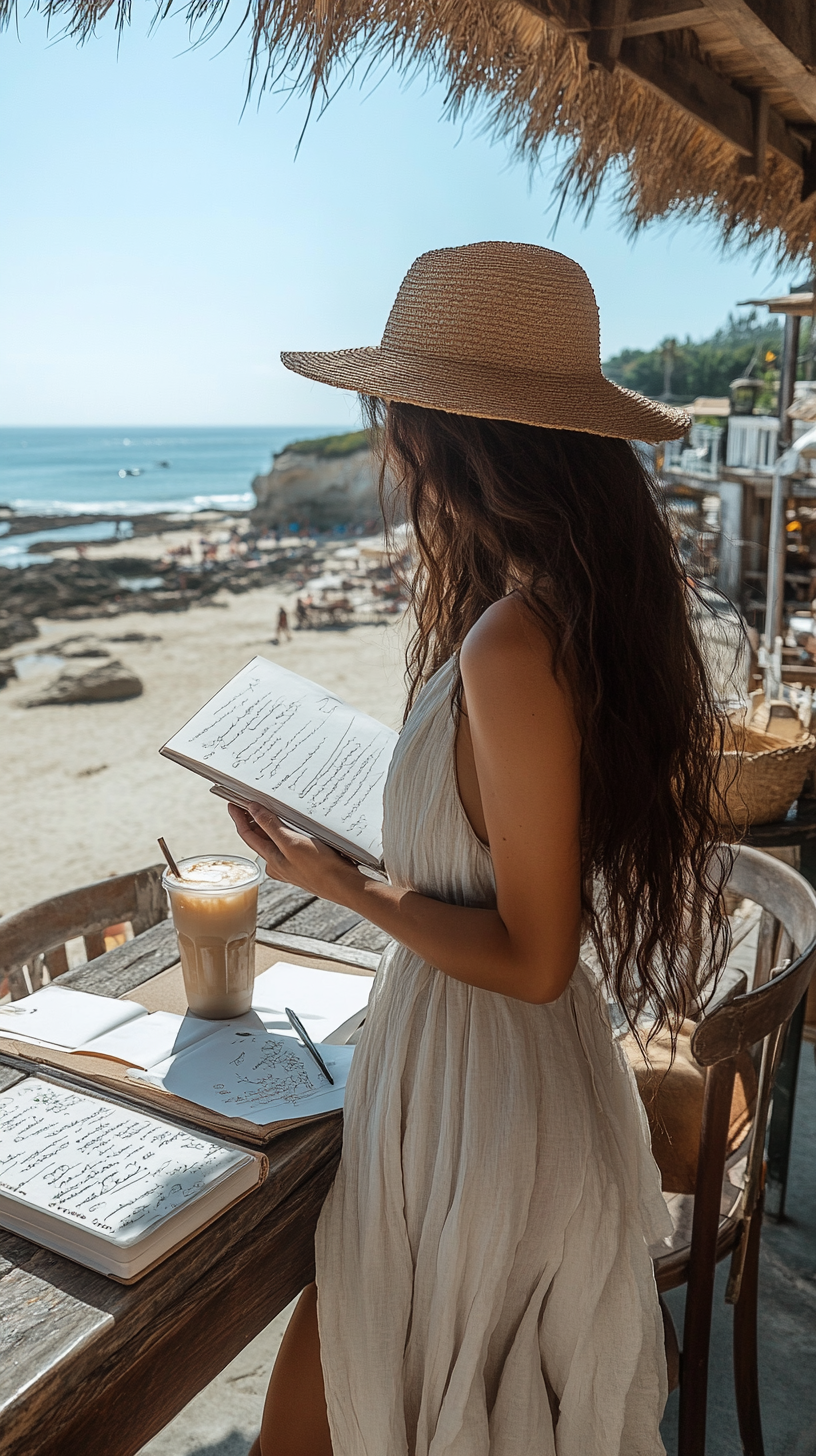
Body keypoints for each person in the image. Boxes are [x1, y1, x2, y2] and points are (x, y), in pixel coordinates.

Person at [230, 243, 729, 1456]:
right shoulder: (562, 603)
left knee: (350, 1396)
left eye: (396, 411)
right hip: (493, 1086)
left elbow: (534, 955)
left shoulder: (515, 643)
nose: (389, 440)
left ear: (451, 436)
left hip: (477, 1104)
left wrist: (343, 882)